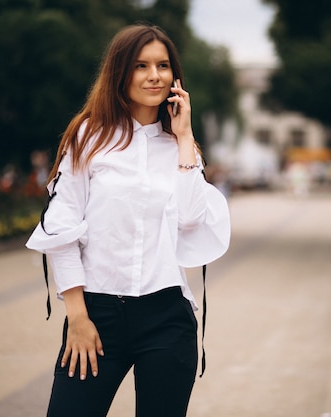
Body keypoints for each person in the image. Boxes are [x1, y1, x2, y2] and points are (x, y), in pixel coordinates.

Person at [25, 24, 230, 417]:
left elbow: (190, 219)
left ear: (175, 75)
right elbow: (62, 232)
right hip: (96, 317)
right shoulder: (88, 137)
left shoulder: (181, 148)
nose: (154, 75)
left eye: (163, 65)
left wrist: (185, 137)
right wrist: (78, 317)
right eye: (141, 65)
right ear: (120, 72)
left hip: (167, 319)